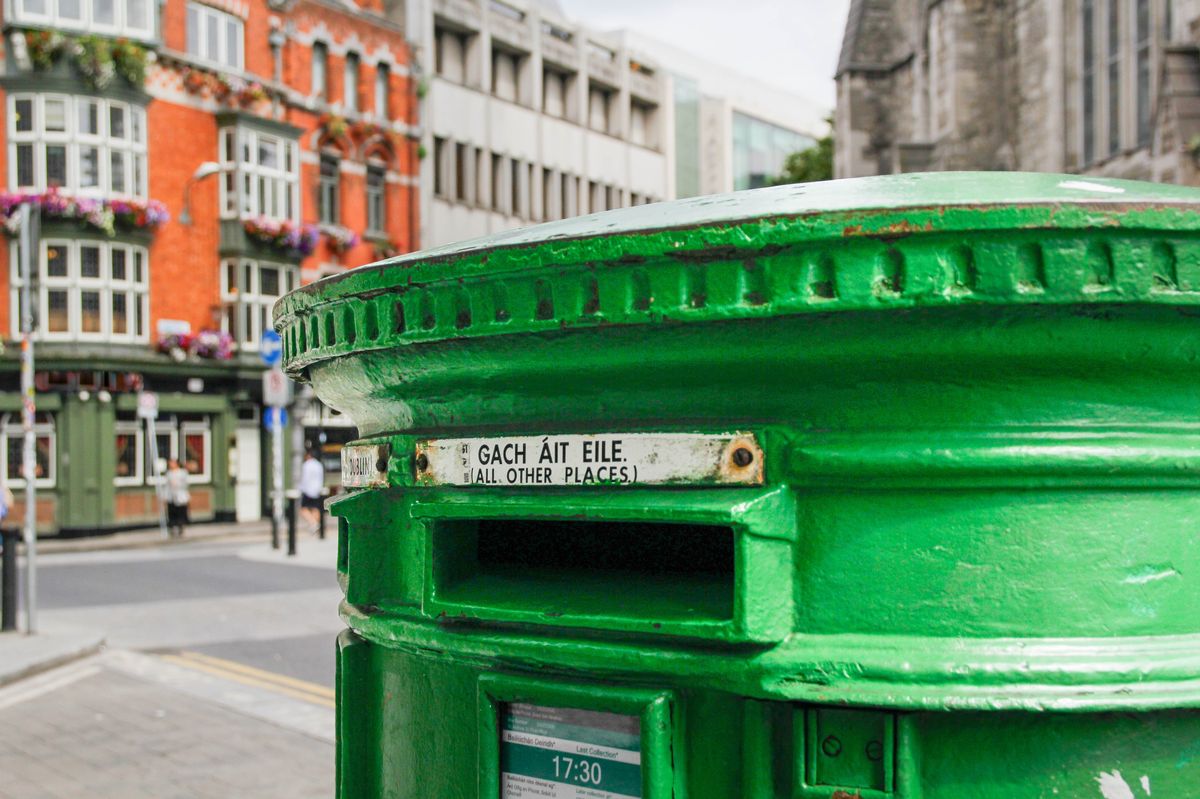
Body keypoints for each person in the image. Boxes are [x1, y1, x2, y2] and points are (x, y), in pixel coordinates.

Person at [299, 449, 325, 533]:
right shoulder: (319, 465)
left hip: (308, 489)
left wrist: (301, 488)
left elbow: (305, 478)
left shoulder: (306, 465)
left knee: (303, 509)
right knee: (315, 508)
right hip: (317, 489)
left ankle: (313, 523)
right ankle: (315, 525)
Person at [165, 458, 190, 538]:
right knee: (172, 512)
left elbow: (185, 484)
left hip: (180, 495)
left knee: (181, 511)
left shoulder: (182, 473)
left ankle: (181, 527)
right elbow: (166, 486)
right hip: (171, 495)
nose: (171, 465)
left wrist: (177, 484)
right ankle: (172, 527)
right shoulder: (169, 473)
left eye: (172, 463)